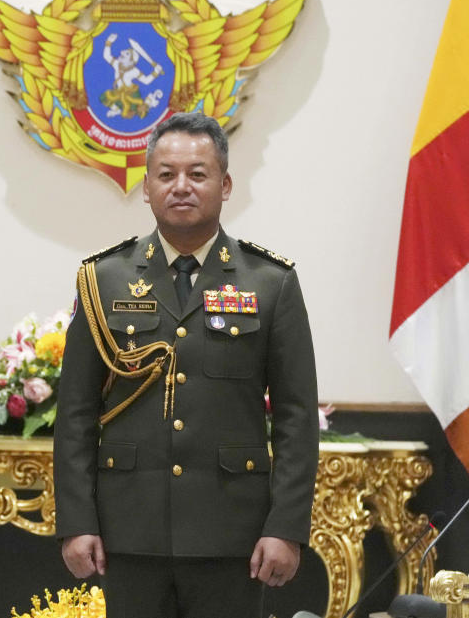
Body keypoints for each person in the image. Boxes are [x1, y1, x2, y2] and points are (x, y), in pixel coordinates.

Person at [54, 112, 318, 618]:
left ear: (226, 184)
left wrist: (285, 527)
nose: (182, 187)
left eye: (198, 174)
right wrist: (77, 521)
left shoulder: (271, 283)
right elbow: (76, 413)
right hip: (128, 531)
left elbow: (296, 418)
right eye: (166, 174)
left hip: (232, 535)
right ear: (147, 187)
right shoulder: (103, 279)